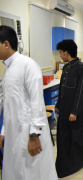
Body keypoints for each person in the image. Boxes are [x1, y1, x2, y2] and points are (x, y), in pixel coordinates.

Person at [0, 25, 58, 180]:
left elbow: (37, 103)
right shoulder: (9, 68)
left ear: (6, 44)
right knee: (15, 170)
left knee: (31, 173)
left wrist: (34, 135)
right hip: (13, 133)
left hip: (28, 134)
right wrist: (4, 131)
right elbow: (9, 105)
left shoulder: (28, 65)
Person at [55, 40, 83, 178]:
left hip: (77, 110)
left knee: (78, 135)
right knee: (65, 134)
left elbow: (81, 92)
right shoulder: (66, 68)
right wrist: (58, 104)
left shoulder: (81, 68)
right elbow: (62, 88)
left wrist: (75, 111)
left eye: (60, 52)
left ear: (66, 52)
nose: (59, 55)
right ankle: (66, 160)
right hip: (65, 108)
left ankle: (82, 160)